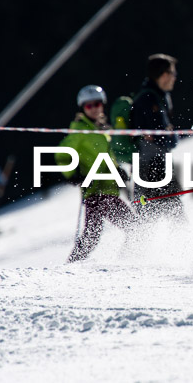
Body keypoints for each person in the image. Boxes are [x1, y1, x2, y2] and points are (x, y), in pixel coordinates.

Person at [56, 85, 138, 262]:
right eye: (89, 106)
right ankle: (129, 261)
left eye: (97, 104)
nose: (94, 109)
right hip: (97, 191)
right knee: (134, 226)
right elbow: (62, 153)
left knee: (92, 235)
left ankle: (71, 265)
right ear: (82, 108)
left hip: (107, 189)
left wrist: (118, 171)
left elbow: (106, 156)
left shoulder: (102, 129)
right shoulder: (79, 129)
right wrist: (72, 174)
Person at [130, 53, 184, 220]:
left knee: (168, 212)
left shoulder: (160, 96)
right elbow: (158, 135)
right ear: (164, 74)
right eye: (173, 74)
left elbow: (164, 136)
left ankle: (184, 245)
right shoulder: (148, 99)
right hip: (150, 166)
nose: (175, 78)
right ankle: (187, 245)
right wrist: (168, 134)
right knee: (169, 213)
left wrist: (168, 134)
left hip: (159, 162)